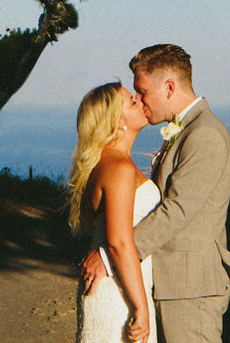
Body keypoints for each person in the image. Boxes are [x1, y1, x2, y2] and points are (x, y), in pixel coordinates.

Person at [80, 44, 230, 343]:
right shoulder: (186, 132)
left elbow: (177, 212)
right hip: (168, 286)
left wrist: (111, 256)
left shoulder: (205, 134)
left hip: (190, 290)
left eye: (143, 92)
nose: (141, 101)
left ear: (169, 87)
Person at [71, 81, 156, 343]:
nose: (141, 102)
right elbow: (119, 242)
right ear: (117, 122)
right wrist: (140, 306)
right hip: (122, 296)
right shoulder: (118, 167)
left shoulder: (102, 162)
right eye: (133, 101)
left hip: (117, 289)